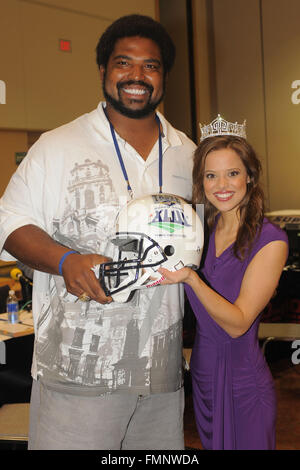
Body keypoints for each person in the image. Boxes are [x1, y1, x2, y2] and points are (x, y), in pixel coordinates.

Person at [0, 15, 196, 450]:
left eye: (151, 66)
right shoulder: (58, 146)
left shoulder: (189, 155)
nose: (137, 76)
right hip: (77, 370)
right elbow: (9, 222)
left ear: (164, 76)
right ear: (103, 71)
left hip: (161, 372)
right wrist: (65, 261)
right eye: (123, 63)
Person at [158, 115, 289, 450]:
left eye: (232, 173)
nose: (222, 185)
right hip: (203, 376)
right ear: (201, 182)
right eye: (211, 175)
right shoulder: (200, 232)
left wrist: (190, 277)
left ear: (250, 175)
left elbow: (238, 323)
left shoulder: (271, 240)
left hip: (243, 382)